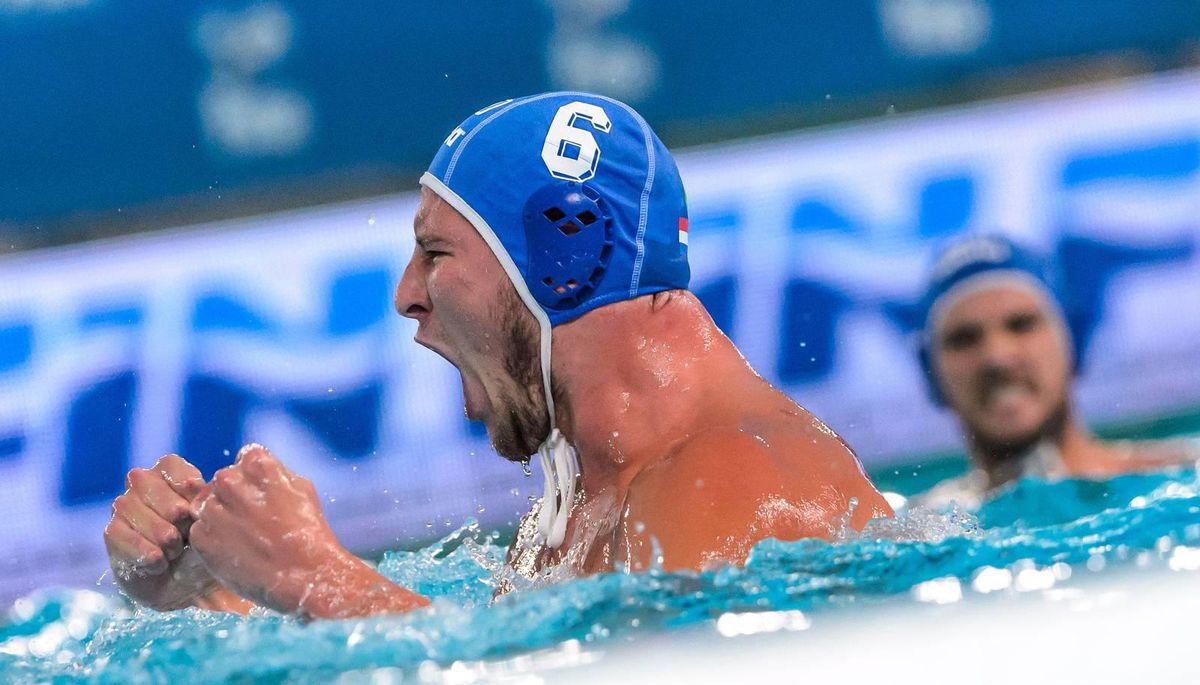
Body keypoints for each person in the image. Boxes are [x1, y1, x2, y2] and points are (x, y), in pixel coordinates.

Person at [102, 93, 892, 620]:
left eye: (435, 252)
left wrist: (318, 578)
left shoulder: (733, 476)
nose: (408, 294)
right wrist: (225, 590)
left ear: (562, 254)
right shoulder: (589, 504)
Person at [912, 234, 1199, 509]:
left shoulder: (1185, 473)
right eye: (964, 339)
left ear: (1074, 340)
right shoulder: (914, 532)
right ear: (930, 373)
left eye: (1021, 324)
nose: (997, 358)